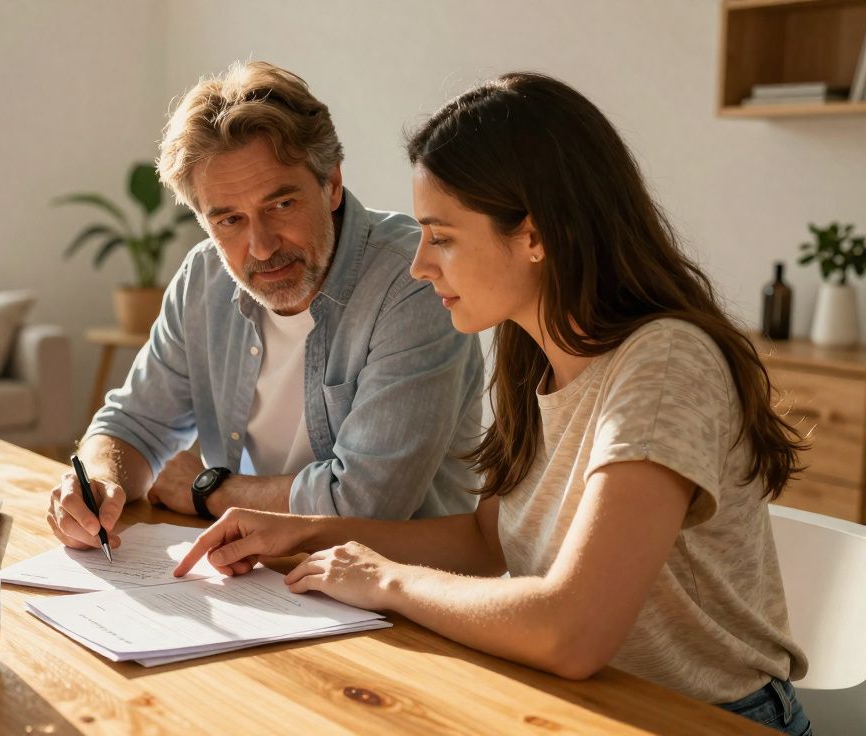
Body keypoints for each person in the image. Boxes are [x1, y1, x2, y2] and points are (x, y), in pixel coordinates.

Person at [174, 72, 811, 734]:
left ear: (533, 236)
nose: (420, 265)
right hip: (582, 705)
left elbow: (573, 633)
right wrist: (307, 531)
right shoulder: (533, 353)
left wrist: (385, 580)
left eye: (441, 235)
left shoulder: (664, 365)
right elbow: (485, 542)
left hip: (702, 718)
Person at [47, 61, 484, 551]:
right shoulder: (204, 276)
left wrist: (209, 489)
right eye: (229, 220)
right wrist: (99, 482)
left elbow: (365, 501)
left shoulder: (413, 279)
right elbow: (134, 424)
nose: (260, 246)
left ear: (332, 183)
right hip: (254, 578)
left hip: (395, 598)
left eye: (281, 205)